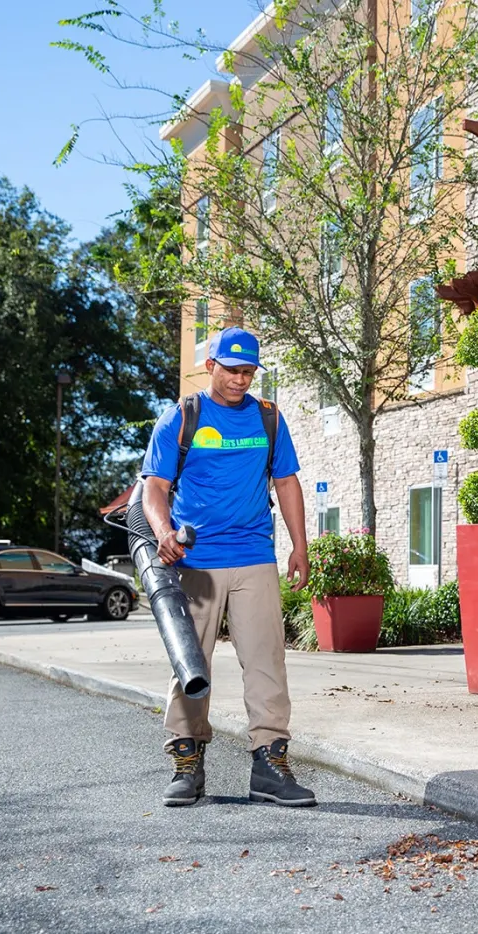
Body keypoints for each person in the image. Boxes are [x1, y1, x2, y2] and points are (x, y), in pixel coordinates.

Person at [139, 326, 315, 808]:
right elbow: (154, 488)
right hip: (196, 562)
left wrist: (299, 547)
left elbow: (287, 483)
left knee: (267, 663)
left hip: (254, 555)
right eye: (232, 370)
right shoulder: (182, 417)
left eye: (249, 372)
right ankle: (187, 762)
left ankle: (270, 764)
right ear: (210, 365)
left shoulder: (268, 419)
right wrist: (163, 534)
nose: (241, 380)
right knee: (191, 664)